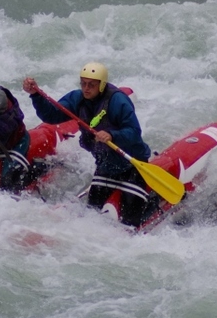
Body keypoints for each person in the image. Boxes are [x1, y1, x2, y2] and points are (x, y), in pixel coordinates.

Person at [22, 62, 158, 226]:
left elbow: (134, 132)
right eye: (83, 83)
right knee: (92, 214)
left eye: (91, 85)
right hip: (106, 164)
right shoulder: (77, 98)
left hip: (132, 164)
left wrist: (112, 135)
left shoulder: (118, 101)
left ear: (101, 85)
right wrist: (36, 96)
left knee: (129, 217)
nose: (86, 88)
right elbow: (51, 116)